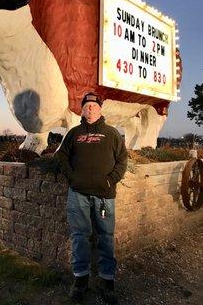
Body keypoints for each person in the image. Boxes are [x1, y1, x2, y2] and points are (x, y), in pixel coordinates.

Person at [57, 92, 128, 304]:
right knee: (80, 236)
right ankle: (80, 280)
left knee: (106, 236)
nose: (90, 108)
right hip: (78, 193)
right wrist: (71, 177)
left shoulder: (112, 134)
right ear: (82, 109)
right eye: (86, 105)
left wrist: (110, 180)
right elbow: (61, 155)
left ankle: (108, 282)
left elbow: (122, 160)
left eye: (94, 106)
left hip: (104, 195)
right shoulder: (74, 133)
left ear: (100, 109)